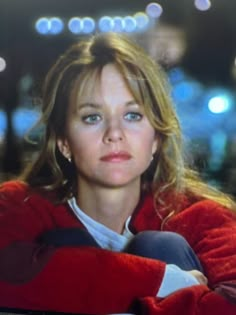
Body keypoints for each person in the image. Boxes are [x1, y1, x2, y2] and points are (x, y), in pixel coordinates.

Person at [0, 32, 236, 315]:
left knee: (160, 245)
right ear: (64, 142)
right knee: (63, 242)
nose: (114, 134)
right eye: (92, 117)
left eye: (133, 115)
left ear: (156, 138)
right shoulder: (19, 206)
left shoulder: (201, 216)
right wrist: (160, 280)